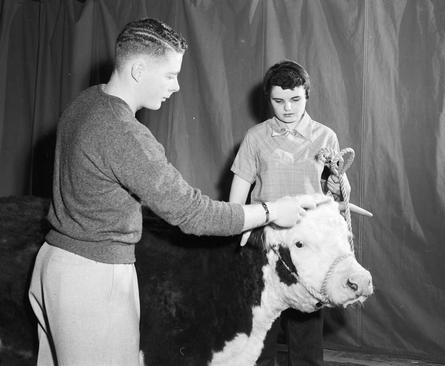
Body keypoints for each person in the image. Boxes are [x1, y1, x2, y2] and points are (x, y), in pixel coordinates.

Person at [28, 19, 321, 366]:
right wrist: (272, 212)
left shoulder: (88, 101)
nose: (177, 86)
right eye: (170, 75)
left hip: (54, 263)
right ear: (138, 70)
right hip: (93, 277)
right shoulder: (124, 133)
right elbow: (193, 213)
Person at [229, 60, 351, 366]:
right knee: (261, 334)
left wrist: (338, 184)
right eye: (279, 101)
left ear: (307, 95)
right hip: (265, 242)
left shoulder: (326, 137)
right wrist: (234, 229)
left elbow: (338, 195)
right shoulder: (255, 137)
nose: (287, 108)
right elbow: (237, 195)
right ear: (268, 98)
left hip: (309, 247)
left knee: (306, 334)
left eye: (295, 99)